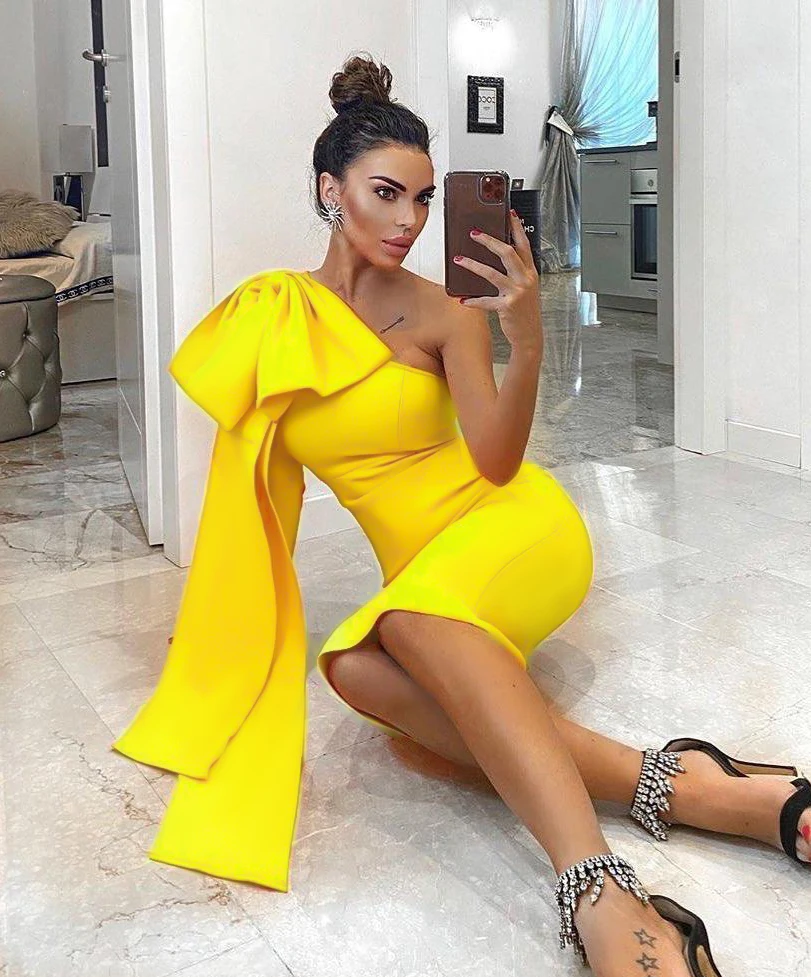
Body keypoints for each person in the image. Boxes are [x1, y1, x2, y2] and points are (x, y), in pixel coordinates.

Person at [114, 52, 810, 977]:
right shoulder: (272, 313)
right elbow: (248, 481)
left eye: (422, 199)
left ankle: (601, 891)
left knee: (407, 623)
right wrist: (224, 625)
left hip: (514, 527)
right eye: (385, 193)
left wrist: (527, 342)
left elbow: (496, 460)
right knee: (353, 666)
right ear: (328, 190)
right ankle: (692, 784)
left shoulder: (447, 313)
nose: (407, 220)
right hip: (427, 572)